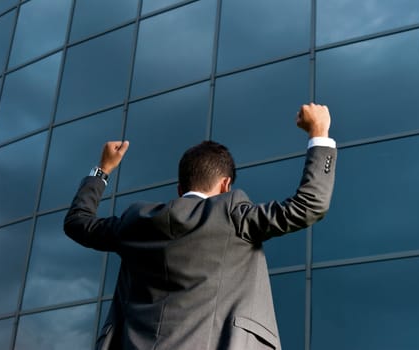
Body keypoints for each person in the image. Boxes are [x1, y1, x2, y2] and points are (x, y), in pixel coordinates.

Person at [64, 103, 337, 350]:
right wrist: (319, 132)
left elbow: (77, 222)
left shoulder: (135, 222)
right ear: (226, 185)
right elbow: (308, 206)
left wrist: (102, 170)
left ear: (180, 189)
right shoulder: (233, 215)